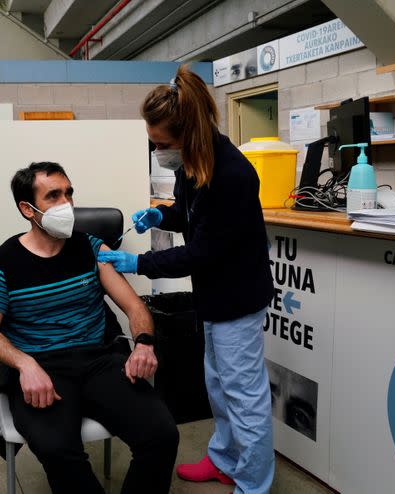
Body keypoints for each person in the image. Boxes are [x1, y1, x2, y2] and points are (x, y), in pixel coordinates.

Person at [97, 65, 276, 494]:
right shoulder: (193, 163)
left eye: (161, 144)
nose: (157, 150)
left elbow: (201, 252)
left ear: (187, 135)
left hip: (237, 297)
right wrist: (162, 214)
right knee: (218, 385)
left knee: (244, 395)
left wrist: (135, 264)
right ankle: (224, 461)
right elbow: (188, 214)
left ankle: (253, 484)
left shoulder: (231, 174)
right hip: (213, 297)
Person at [0, 162, 179, 494]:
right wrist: (26, 364)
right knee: (59, 451)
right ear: (28, 209)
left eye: (68, 193)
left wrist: (143, 342)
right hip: (43, 369)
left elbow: (135, 306)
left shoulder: (91, 247)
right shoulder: (3, 261)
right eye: (53, 196)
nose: (65, 204)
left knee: (162, 435)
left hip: (99, 361)